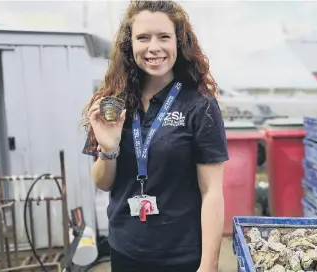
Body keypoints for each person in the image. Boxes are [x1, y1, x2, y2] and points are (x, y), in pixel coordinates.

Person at [81, 1, 228, 271]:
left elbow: (212, 193)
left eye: (164, 37)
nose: (154, 47)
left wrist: (209, 265)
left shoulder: (199, 105)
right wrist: (109, 148)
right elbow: (103, 182)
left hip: (182, 255)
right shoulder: (112, 103)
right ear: (130, 45)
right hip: (125, 249)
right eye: (143, 38)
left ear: (178, 42)